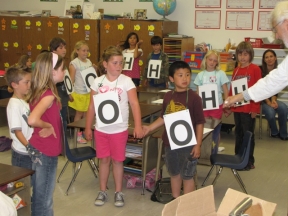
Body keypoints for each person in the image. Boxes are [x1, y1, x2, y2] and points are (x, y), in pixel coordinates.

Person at [84, 46, 143, 207]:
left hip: (119, 130)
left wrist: (138, 125)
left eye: (121, 63)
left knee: (117, 161)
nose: (118, 66)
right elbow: (91, 107)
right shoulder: (97, 82)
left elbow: (134, 103)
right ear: (105, 64)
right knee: (104, 160)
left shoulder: (126, 81)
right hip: (102, 129)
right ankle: (102, 190)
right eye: (115, 62)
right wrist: (88, 127)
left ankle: (118, 192)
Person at [143, 61, 205, 199]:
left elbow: (200, 123)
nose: (185, 78)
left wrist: (198, 144)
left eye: (188, 75)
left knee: (187, 175)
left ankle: (186, 206)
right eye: (180, 75)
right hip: (170, 143)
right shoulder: (168, 96)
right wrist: (149, 127)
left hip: (188, 145)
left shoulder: (195, 98)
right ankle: (176, 201)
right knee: (174, 173)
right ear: (171, 79)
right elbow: (164, 117)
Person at [224, 1, 288, 123]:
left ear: (286, 23)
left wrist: (238, 98)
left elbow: (274, 82)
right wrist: (237, 98)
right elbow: (274, 81)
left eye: (275, 29)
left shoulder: (254, 69)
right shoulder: (237, 70)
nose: (277, 36)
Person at [27, 52, 64, 216]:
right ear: (53, 72)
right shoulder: (48, 95)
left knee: (39, 195)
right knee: (45, 200)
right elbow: (32, 119)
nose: (64, 72)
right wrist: (48, 125)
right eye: (62, 69)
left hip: (39, 148)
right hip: (46, 152)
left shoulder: (42, 92)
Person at [228, 41, 262, 170]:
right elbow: (232, 90)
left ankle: (248, 161)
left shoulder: (255, 69)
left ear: (250, 55)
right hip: (238, 108)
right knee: (239, 133)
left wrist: (255, 108)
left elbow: (259, 90)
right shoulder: (236, 70)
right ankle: (238, 158)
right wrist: (230, 105)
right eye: (240, 54)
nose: (242, 57)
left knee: (248, 135)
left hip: (249, 109)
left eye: (245, 54)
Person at [194, 50, 229, 154]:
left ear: (217, 62)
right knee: (204, 127)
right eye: (210, 59)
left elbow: (225, 90)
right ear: (206, 60)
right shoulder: (200, 75)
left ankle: (215, 148)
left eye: (215, 60)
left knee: (215, 127)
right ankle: (204, 149)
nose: (212, 62)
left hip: (217, 105)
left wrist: (227, 105)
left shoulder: (220, 74)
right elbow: (198, 91)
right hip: (203, 106)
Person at [5, 66, 33, 170]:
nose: (29, 85)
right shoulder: (14, 105)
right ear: (14, 85)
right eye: (26, 82)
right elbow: (17, 131)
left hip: (27, 150)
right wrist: (29, 147)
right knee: (23, 185)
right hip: (22, 153)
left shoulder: (23, 101)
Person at [68, 40, 94, 144]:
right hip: (78, 92)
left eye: (87, 50)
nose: (86, 52)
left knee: (86, 114)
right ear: (77, 51)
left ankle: (84, 132)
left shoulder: (89, 62)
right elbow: (71, 80)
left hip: (88, 92)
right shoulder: (74, 63)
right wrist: (69, 93)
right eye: (83, 50)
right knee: (79, 113)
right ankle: (77, 134)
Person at [260, 49, 287, 140]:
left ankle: (283, 133)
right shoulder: (260, 70)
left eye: (271, 56)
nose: (269, 59)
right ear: (264, 60)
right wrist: (269, 103)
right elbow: (260, 90)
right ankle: (274, 131)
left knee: (283, 108)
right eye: (266, 57)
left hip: (271, 98)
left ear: (275, 58)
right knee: (270, 112)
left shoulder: (278, 71)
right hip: (261, 100)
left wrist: (274, 100)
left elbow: (276, 89)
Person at [49, 37, 72, 141]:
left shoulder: (62, 62)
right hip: (55, 99)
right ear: (54, 50)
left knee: (63, 121)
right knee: (56, 121)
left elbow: (67, 81)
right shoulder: (51, 64)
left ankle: (62, 143)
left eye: (65, 47)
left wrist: (69, 93)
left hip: (63, 97)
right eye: (61, 48)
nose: (64, 50)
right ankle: (57, 141)